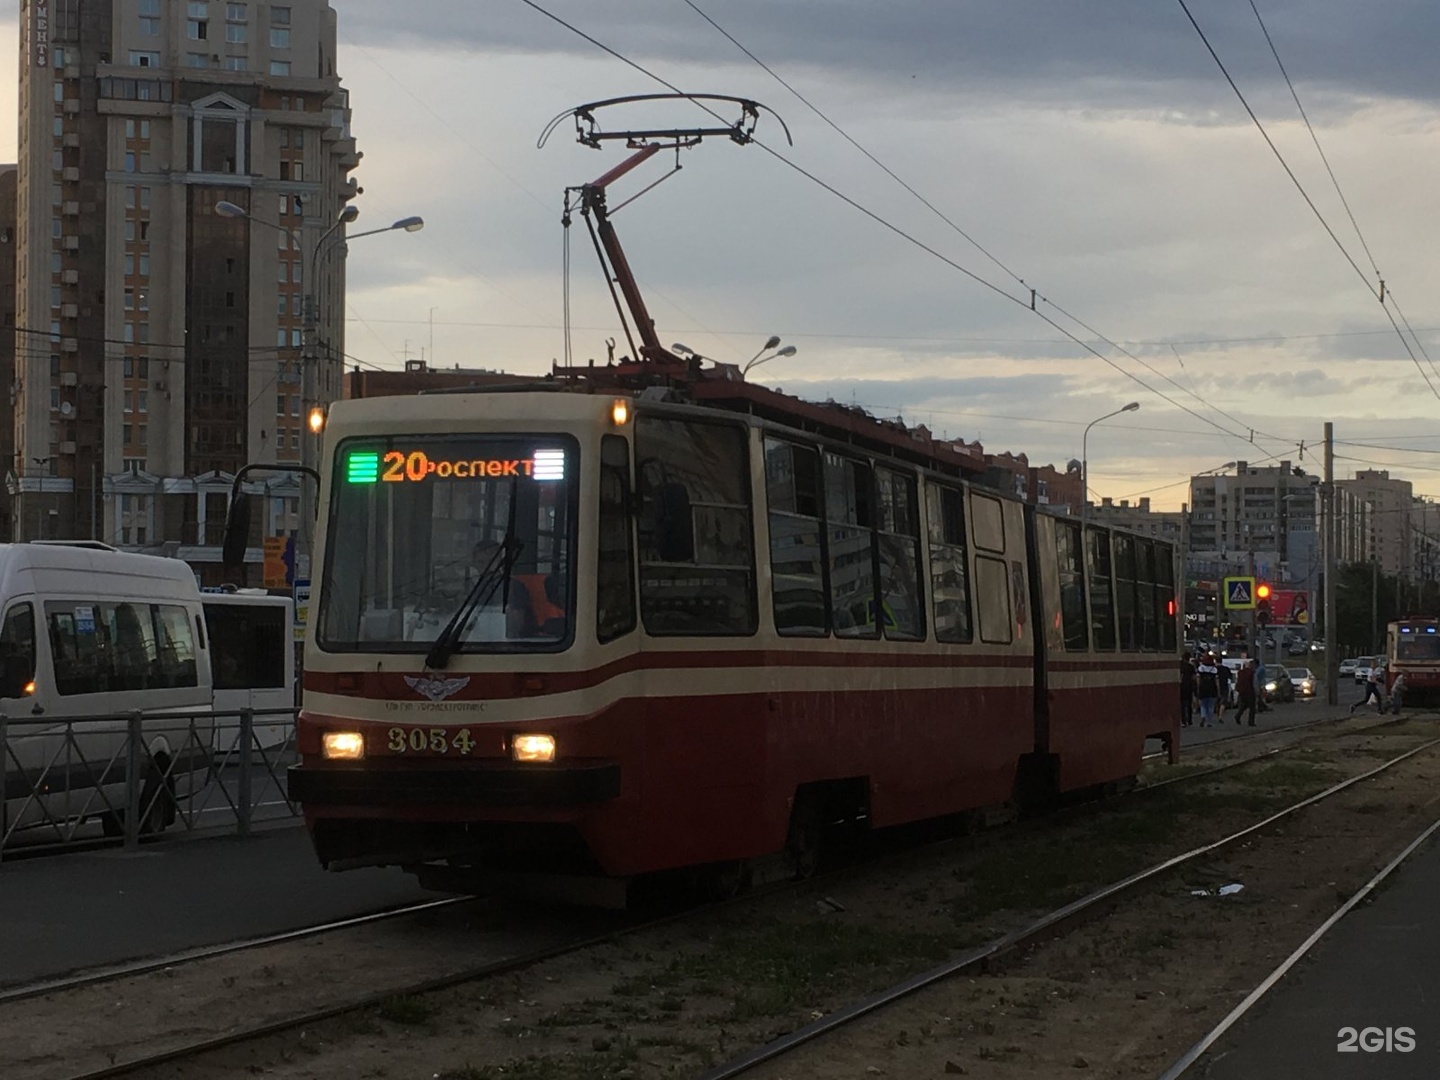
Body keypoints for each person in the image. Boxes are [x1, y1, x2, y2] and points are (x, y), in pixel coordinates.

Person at [1195, 653, 1220, 728]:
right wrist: (1218, 690)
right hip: (1212, 689)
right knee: (1210, 706)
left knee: (1203, 705)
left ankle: (1203, 717)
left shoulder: (1201, 668)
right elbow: (1217, 681)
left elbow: (1198, 679)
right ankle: (1209, 721)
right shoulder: (1214, 669)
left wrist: (1198, 687)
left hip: (1203, 689)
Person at [1233, 661, 1258, 727]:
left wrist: (1237, 689)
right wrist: (1257, 691)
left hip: (1242, 692)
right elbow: (1254, 683)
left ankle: (1238, 715)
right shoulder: (1252, 672)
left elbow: (1237, 681)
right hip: (1250, 691)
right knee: (1252, 707)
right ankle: (1251, 722)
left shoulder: (1240, 672)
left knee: (1243, 705)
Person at [1180, 655, 1195, 727]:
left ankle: (1183, 721)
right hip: (1189, 686)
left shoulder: (1180, 666)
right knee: (1189, 704)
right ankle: (1189, 720)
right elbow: (1193, 677)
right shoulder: (1191, 667)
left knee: (1182, 705)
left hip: (1182, 686)